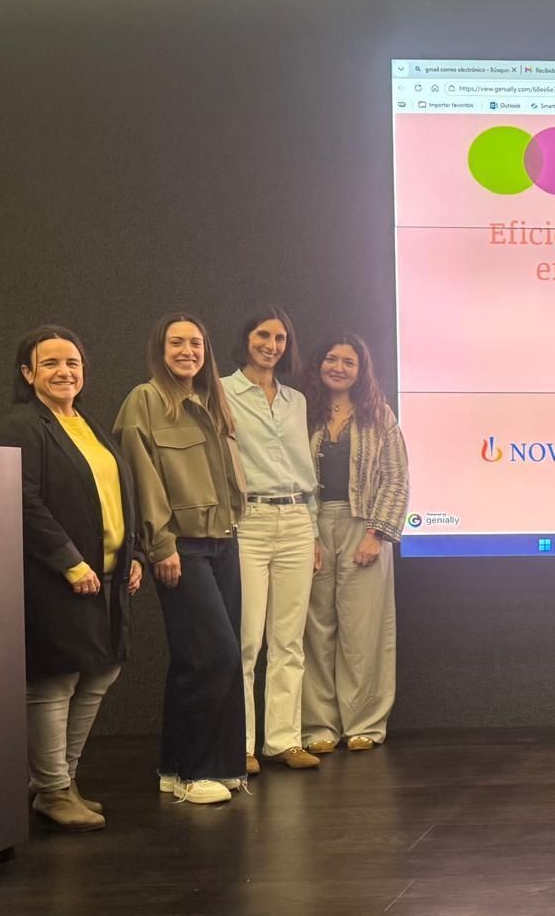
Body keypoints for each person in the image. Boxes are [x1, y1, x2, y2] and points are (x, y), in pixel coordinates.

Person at [0, 326, 141, 831]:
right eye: (51, 363)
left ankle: (61, 780)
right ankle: (53, 790)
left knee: (103, 670)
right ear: (28, 373)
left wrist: (134, 554)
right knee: (55, 679)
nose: (64, 372)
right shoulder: (22, 426)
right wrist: (68, 561)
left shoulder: (89, 424)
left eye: (72, 363)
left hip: (109, 574)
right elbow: (22, 500)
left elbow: (118, 494)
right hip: (56, 577)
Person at [114, 313, 247, 804]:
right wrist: (161, 544)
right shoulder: (145, 400)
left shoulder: (212, 400)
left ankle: (179, 769)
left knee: (201, 658)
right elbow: (141, 478)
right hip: (182, 547)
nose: (187, 351)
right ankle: (196, 774)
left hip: (224, 542)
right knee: (214, 655)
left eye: (195, 343)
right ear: (160, 349)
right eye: (176, 342)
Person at [223, 307, 321, 773]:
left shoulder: (295, 400)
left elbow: (305, 466)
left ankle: (283, 740)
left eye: (280, 338)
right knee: (246, 641)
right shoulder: (221, 391)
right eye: (263, 335)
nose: (272, 345)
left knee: (289, 640)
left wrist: (314, 530)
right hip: (250, 519)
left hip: (298, 518)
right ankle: (240, 744)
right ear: (247, 339)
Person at [301, 334, 409, 754]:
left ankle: (365, 722)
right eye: (332, 359)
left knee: (363, 632)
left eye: (349, 362)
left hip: (365, 526)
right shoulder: (302, 412)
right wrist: (308, 535)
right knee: (314, 630)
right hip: (309, 526)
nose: (339, 367)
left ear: (361, 370)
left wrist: (376, 534)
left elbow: (396, 479)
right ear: (319, 364)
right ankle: (318, 727)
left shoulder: (378, 414)